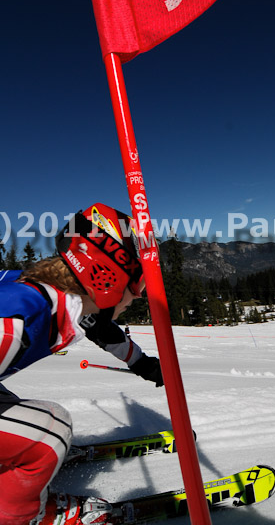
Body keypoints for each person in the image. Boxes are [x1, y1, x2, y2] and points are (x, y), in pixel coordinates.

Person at [0, 203, 163, 525]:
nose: (140, 296)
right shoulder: (16, 320)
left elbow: (103, 330)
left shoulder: (57, 296)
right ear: (109, 274)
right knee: (50, 429)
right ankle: (23, 515)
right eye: (139, 283)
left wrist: (144, 365)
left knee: (21, 415)